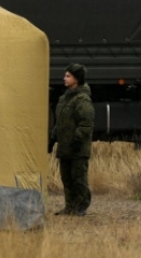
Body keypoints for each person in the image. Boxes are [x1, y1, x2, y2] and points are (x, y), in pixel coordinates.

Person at [52, 63, 95, 216]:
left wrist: (77, 140)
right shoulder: (64, 99)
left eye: (68, 76)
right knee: (67, 179)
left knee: (79, 179)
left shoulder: (82, 100)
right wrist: (53, 137)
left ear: (76, 79)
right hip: (65, 147)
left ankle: (81, 206)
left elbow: (86, 123)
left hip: (77, 148)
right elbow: (61, 122)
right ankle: (70, 206)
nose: (64, 78)